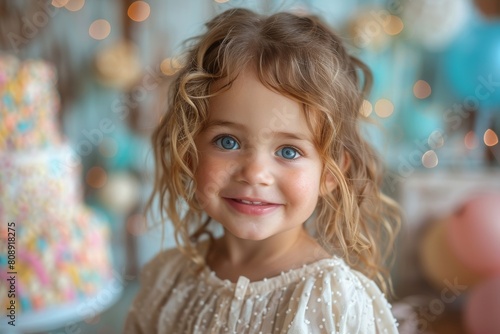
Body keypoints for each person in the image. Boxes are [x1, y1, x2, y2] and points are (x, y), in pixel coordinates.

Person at [125, 7, 400, 334]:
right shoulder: (168, 281)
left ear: (329, 173)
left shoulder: (332, 299)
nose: (255, 173)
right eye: (227, 141)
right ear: (189, 150)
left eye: (288, 151)